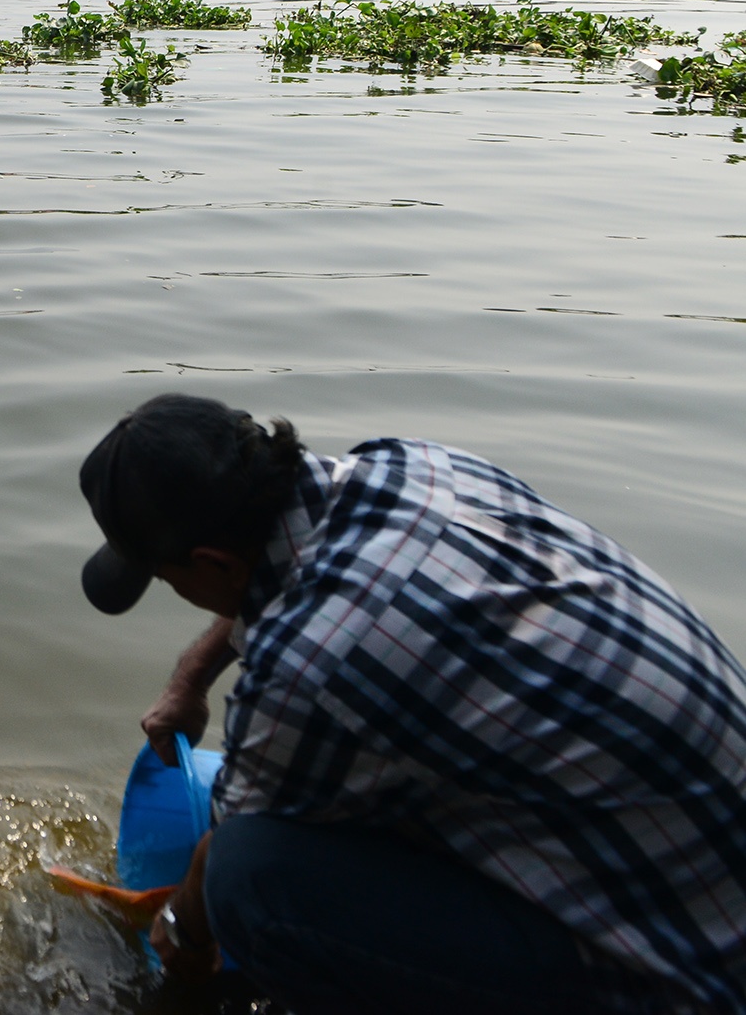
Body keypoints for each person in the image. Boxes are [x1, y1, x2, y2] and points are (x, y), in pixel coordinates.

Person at [75, 393, 746, 1013]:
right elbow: (304, 581)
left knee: (248, 881)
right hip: (707, 870)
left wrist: (184, 939)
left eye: (167, 578)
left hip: (682, 976)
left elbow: (220, 855)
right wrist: (192, 678)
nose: (174, 590)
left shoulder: (304, 670)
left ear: (214, 562)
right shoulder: (407, 466)